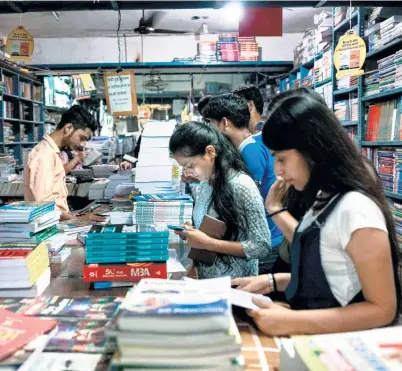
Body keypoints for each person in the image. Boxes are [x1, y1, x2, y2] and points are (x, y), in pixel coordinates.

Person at [234, 89, 401, 336]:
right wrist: (271, 282)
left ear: (311, 150)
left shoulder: (356, 209)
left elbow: (382, 309)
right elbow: (331, 274)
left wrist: (293, 322)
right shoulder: (324, 197)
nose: (278, 171)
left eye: (282, 159)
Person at [169, 121, 271, 279]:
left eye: (190, 165)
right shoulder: (207, 183)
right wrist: (193, 232)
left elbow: (261, 246)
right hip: (209, 283)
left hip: (236, 287)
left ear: (210, 152)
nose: (187, 172)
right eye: (183, 167)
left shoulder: (241, 185)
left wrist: (207, 242)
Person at [203, 93, 283, 273]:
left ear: (224, 123)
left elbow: (242, 203)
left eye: (210, 123)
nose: (209, 130)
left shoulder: (248, 152)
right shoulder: (256, 142)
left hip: (264, 245)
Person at [24, 105, 104, 222]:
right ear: (68, 128)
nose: (82, 144)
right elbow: (44, 204)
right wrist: (77, 220)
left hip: (57, 222)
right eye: (81, 138)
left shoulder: (54, 152)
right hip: (47, 228)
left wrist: (76, 216)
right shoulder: (44, 155)